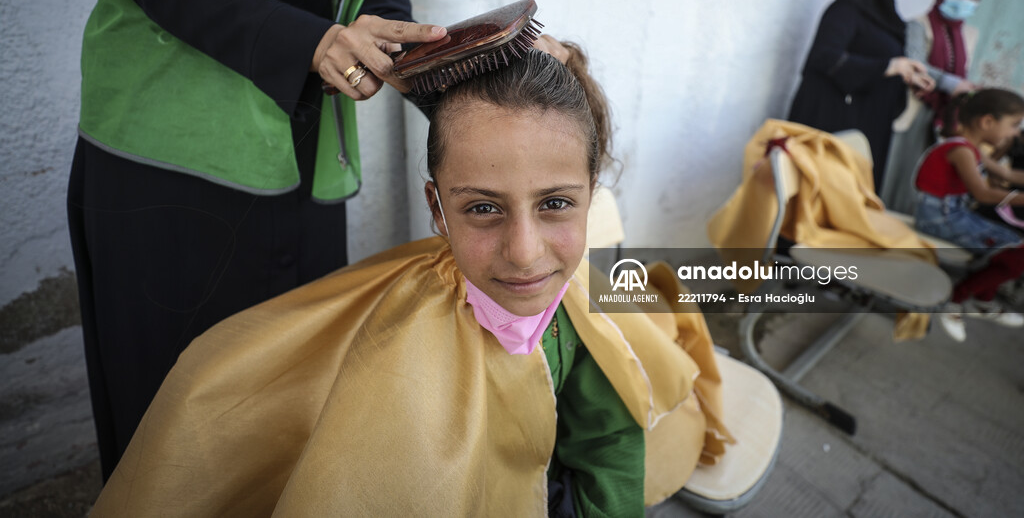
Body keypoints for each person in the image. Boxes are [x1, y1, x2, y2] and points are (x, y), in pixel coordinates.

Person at [89, 48, 732, 516]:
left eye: (556, 204)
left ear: (591, 194)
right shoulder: (399, 341)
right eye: (483, 208)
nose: (524, 253)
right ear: (436, 207)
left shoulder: (584, 310)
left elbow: (609, 438)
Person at [68, 0, 447, 480]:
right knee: (171, 448)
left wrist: (465, 66)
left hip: (305, 164)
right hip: (170, 173)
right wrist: (314, 44)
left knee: (293, 422)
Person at [788, 0, 937, 187]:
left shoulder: (889, 18)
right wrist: (889, 66)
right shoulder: (846, 10)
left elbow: (879, 60)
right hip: (833, 123)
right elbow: (825, 57)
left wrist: (907, 76)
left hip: (869, 125)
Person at [913, 89, 1024, 341]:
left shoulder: (971, 148)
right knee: (1016, 254)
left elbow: (1004, 176)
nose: (1015, 134)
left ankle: (983, 302)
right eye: (1014, 125)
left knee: (1015, 248)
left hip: (952, 215)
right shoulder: (961, 150)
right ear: (987, 122)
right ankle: (954, 298)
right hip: (939, 220)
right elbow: (982, 194)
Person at [881, 0, 987, 213]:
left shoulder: (970, 34)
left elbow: (962, 70)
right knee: (896, 169)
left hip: (944, 113)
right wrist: (953, 84)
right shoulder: (918, 24)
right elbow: (916, 63)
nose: (965, 0)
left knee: (921, 173)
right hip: (915, 105)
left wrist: (966, 87)